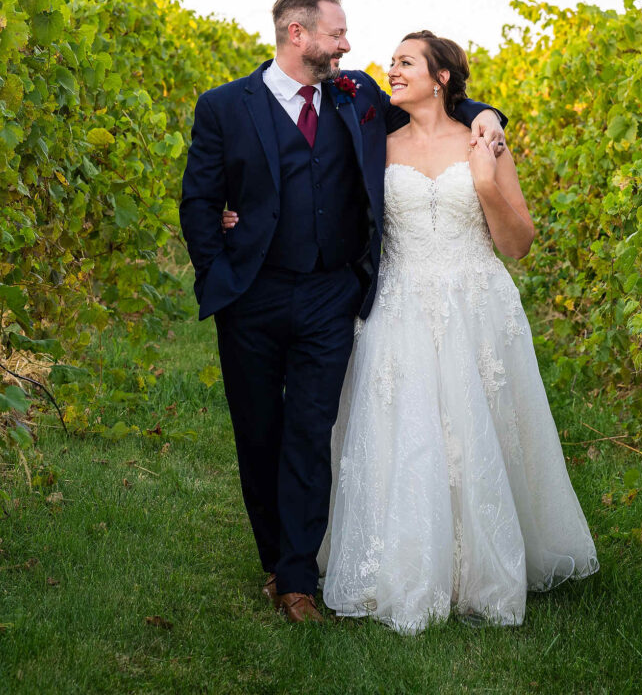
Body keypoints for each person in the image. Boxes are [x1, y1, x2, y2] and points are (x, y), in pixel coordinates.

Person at [224, 31, 598, 634]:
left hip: (474, 302)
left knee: (478, 431)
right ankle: (399, 563)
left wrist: (482, 178)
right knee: (407, 433)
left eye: (405, 62)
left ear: (441, 77)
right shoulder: (375, 143)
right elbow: (309, 187)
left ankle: (484, 563)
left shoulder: (487, 144)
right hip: (397, 305)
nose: (390, 70)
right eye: (392, 61)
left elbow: (519, 243)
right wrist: (235, 208)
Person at [179, 0, 507, 624]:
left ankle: (298, 577)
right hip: (252, 296)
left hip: (332, 294)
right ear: (297, 36)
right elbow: (198, 201)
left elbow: (442, 104)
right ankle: (274, 558)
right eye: (337, 34)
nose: (348, 46)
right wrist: (221, 271)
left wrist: (489, 114)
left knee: (309, 429)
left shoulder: (358, 98)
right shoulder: (225, 107)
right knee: (259, 432)